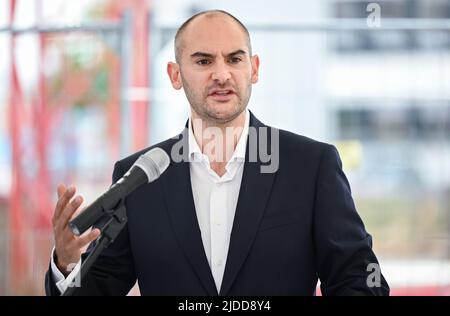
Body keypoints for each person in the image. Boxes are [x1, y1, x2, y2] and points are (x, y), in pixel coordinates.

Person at [45, 9, 389, 296]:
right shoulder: (137, 177)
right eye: (203, 60)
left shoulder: (311, 167)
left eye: (234, 59)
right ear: (175, 75)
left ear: (253, 68)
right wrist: (66, 264)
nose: (222, 74)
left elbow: (359, 278)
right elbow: (98, 289)